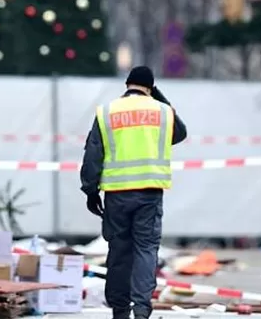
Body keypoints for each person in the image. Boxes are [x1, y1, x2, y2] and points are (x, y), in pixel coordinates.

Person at [80, 66, 188, 319]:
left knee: (118, 251)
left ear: (127, 84)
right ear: (151, 87)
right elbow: (180, 133)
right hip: (149, 193)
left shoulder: (107, 112)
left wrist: (90, 190)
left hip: (116, 194)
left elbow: (93, 152)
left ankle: (120, 311)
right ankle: (141, 311)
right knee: (146, 250)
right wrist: (159, 96)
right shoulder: (163, 112)